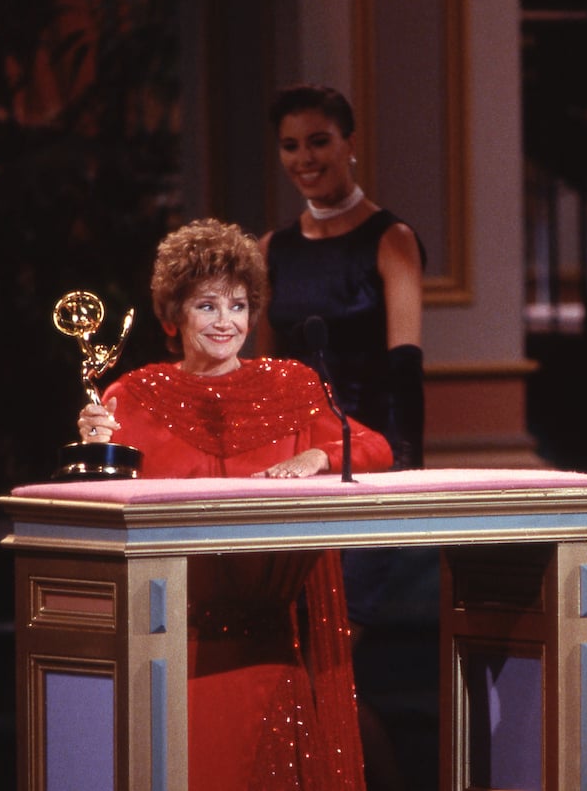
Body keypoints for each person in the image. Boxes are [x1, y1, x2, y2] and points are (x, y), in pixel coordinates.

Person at [78, 217, 393, 790]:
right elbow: (102, 506)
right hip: (172, 647)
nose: (227, 322)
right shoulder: (133, 394)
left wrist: (318, 457)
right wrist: (97, 449)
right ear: (173, 317)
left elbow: (371, 446)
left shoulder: (292, 385)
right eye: (207, 307)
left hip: (269, 651)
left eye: (239, 306)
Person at [254, 85, 429, 791]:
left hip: (368, 474)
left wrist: (406, 473)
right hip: (294, 480)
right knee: (303, 671)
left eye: (319, 141)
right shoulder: (273, 247)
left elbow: (406, 365)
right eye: (292, 145)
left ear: (350, 143)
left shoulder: (391, 238)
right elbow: (261, 376)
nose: (305, 158)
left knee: (328, 667)